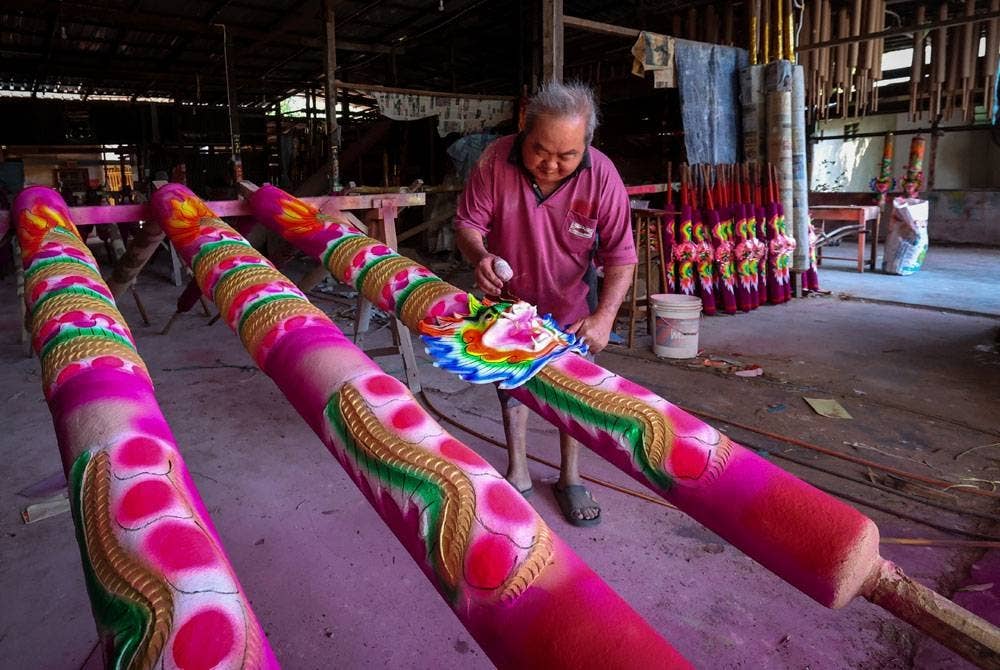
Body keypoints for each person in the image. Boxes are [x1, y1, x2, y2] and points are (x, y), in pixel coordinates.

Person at [453, 81, 636, 526]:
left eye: (566, 155)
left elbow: (621, 255)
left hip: (572, 303)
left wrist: (605, 317)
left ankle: (570, 476)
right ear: (523, 131)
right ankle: (517, 472)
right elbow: (468, 223)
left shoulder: (603, 175)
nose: (551, 163)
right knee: (511, 383)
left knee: (569, 391)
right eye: (540, 150)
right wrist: (481, 256)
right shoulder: (496, 159)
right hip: (510, 297)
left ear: (586, 147)